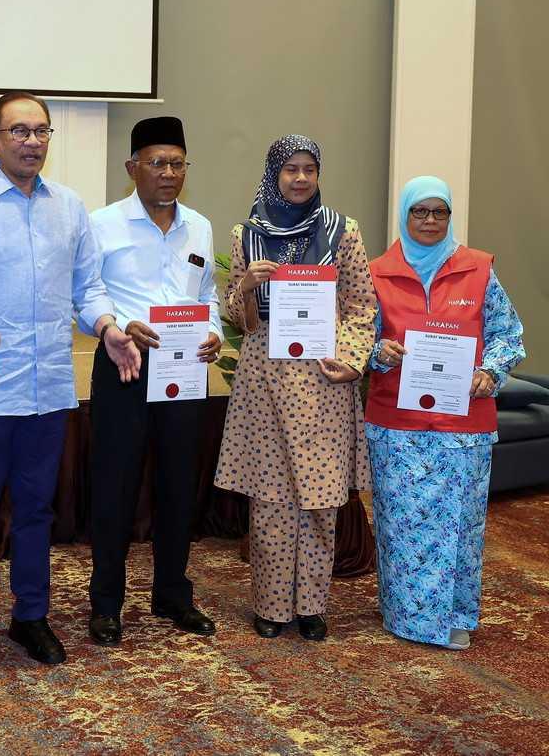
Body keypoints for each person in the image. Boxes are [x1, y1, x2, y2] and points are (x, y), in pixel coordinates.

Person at [0, 91, 140, 676]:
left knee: (36, 511)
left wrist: (108, 328)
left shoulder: (69, 207)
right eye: (18, 130)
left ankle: (31, 616)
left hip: (49, 386)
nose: (31, 141)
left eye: (41, 131)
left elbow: (88, 289)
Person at [213, 135, 376, 642]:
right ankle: (271, 606)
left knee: (322, 500)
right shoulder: (248, 235)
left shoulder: (342, 232)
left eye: (309, 169)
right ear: (273, 174)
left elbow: (362, 305)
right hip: (265, 382)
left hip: (324, 382)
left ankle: (311, 606)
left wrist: (351, 359)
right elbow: (236, 319)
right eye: (290, 170)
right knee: (270, 500)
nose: (301, 178)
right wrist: (244, 288)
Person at [365, 176, 524, 650]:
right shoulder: (377, 272)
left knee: (460, 524)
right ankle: (406, 616)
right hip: (397, 426)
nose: (430, 221)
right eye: (421, 212)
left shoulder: (479, 269)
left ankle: (454, 615)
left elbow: (507, 334)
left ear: (450, 216)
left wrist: (490, 373)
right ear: (405, 215)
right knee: (402, 523)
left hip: (464, 427)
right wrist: (379, 352)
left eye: (440, 212)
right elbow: (355, 337)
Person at [85, 116, 222, 646]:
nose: (169, 173)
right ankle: (107, 604)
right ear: (132, 168)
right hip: (125, 365)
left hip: (185, 370)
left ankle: (172, 594)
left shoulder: (200, 226)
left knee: (177, 486)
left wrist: (211, 329)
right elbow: (87, 293)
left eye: (177, 164)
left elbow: (207, 291)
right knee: (115, 487)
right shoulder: (102, 224)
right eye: (157, 163)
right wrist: (117, 327)